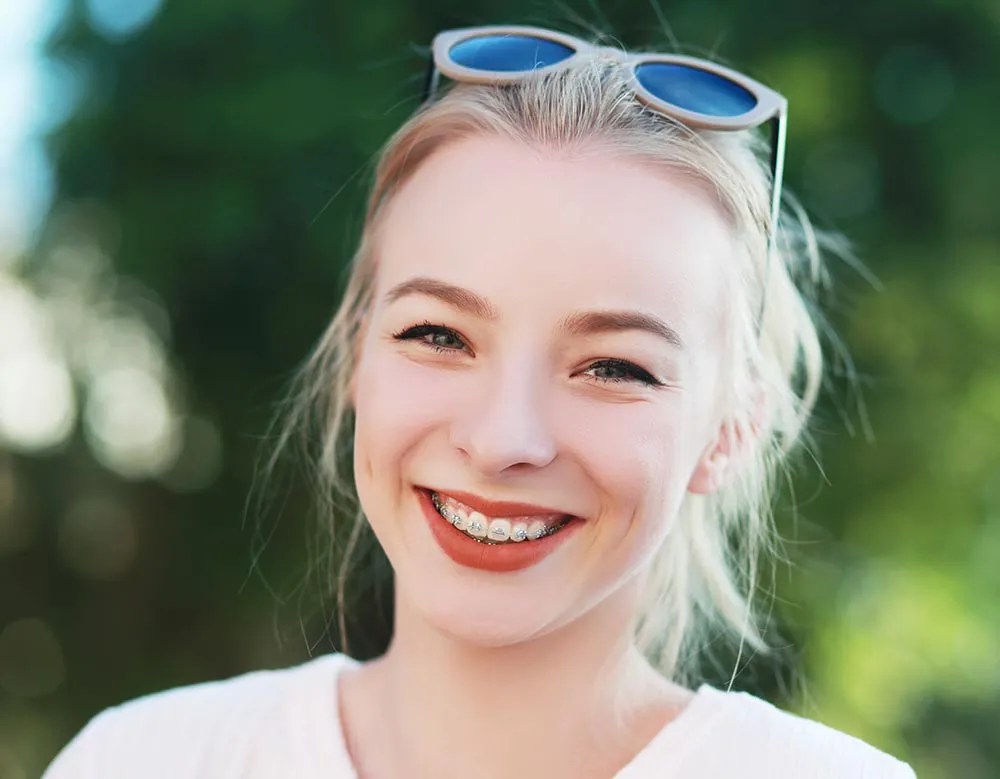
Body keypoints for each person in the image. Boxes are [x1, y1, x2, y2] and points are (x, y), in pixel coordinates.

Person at [44, 24, 916, 779]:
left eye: (615, 367)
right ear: (357, 357)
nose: (503, 439)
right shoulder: (140, 759)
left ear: (730, 432)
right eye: (439, 335)